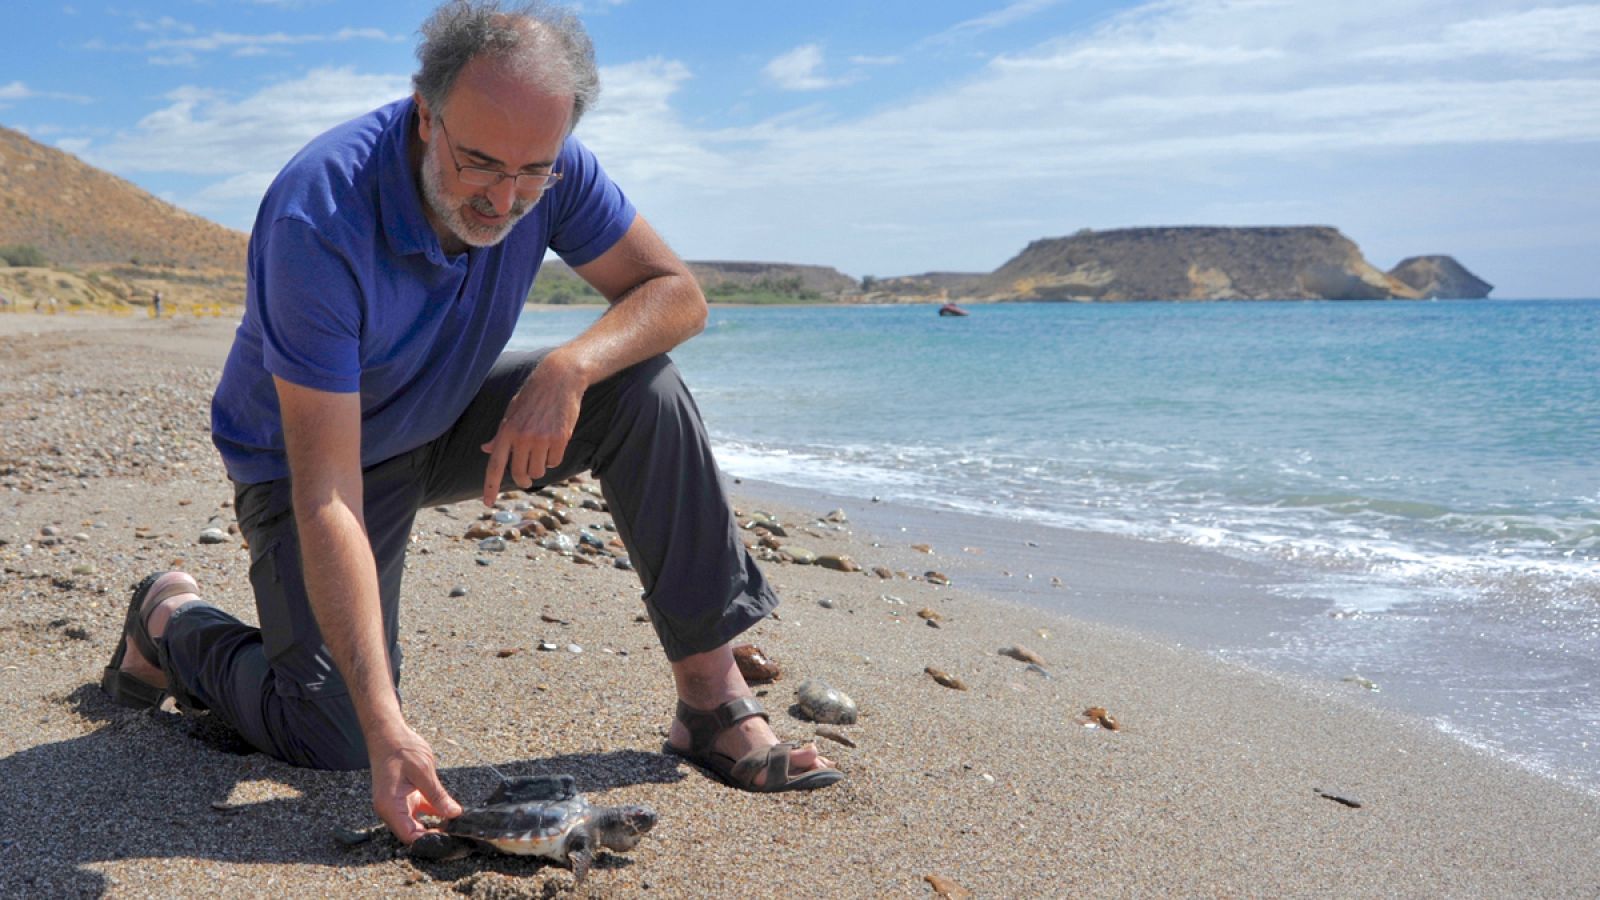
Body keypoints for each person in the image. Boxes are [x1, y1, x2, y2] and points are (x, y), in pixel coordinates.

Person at [100, 0, 840, 847]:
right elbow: (329, 494)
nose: (504, 198)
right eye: (480, 164)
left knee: (643, 388)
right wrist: (385, 727)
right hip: (307, 464)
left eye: (535, 172)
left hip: (440, 418)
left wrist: (571, 366)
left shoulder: (546, 167)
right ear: (426, 113)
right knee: (336, 735)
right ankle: (171, 621)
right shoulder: (320, 217)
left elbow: (676, 295)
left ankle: (710, 703)